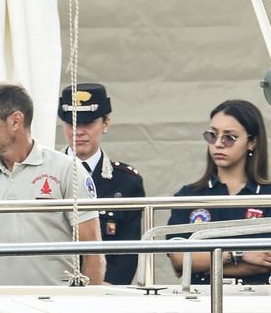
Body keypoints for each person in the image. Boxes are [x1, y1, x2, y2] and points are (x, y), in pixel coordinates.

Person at [0, 82, 105, 286]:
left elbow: (93, 253)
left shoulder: (66, 169)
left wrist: (84, 310)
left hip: (57, 310)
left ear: (15, 121)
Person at [167, 99, 271, 284]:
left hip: (258, 302)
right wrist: (238, 255)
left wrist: (203, 261)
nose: (219, 143)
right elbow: (180, 259)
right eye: (212, 135)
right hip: (200, 302)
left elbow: (265, 261)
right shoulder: (189, 196)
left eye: (229, 137)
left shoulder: (267, 196)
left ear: (252, 142)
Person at [59, 83, 146, 285]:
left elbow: (128, 248)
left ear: (105, 123)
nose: (79, 132)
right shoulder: (47, 176)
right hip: (53, 286)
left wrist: (104, 287)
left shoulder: (126, 181)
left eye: (87, 123)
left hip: (104, 289)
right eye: (71, 124)